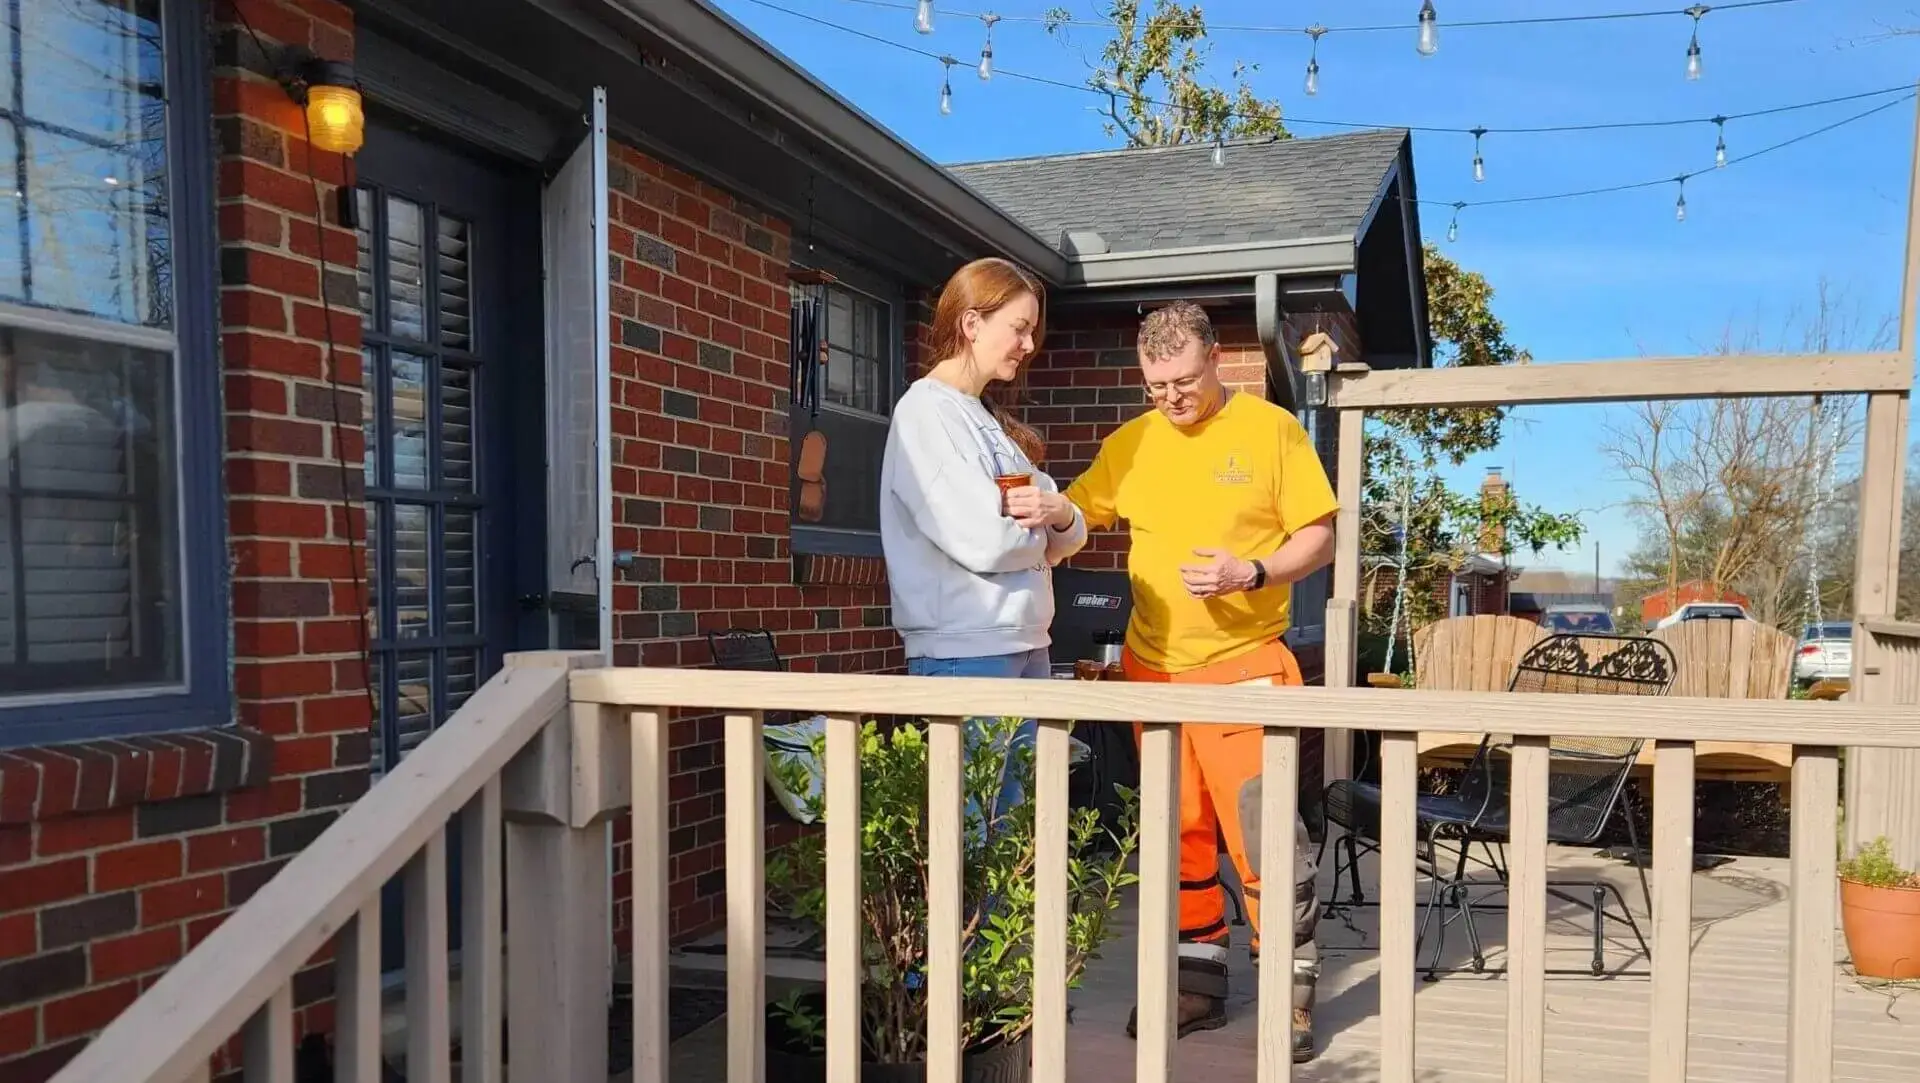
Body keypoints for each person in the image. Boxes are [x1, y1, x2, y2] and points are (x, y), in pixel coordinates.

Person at [1063, 300, 1335, 1062]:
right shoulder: (1134, 442)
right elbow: (1077, 513)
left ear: (1215, 358)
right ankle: (1198, 986)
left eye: (1182, 380)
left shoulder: (1271, 431)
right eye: (1155, 386)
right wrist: (1043, 512)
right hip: (1154, 673)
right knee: (1178, 839)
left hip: (1245, 670)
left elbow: (1318, 534)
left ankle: (1292, 997)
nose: (1171, 398)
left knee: (1265, 841)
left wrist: (1251, 570)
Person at [879, 256, 1087, 819]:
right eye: (1019, 328)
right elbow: (981, 540)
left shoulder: (989, 423)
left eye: (1031, 330)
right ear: (972, 323)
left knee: (1022, 832)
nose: (1028, 343)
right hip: (965, 649)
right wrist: (1046, 534)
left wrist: (1060, 515)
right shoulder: (925, 412)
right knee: (977, 837)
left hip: (1024, 643)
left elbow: (1068, 524)